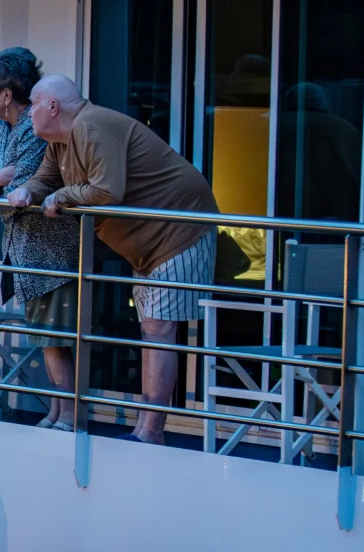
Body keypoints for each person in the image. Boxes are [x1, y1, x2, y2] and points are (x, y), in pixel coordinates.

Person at [14, 75, 219, 445]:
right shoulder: (59, 141)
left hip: (178, 230)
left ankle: (150, 433)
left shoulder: (92, 127)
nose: (28, 113)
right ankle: (143, 430)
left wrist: (61, 196)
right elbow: (46, 178)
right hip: (147, 243)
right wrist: (28, 189)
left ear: (53, 107)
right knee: (152, 331)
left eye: (33, 104)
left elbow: (108, 191)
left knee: (158, 331)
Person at [0, 47, 74, 430]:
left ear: (7, 94)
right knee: (43, 335)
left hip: (50, 248)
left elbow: (25, 189)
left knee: (56, 334)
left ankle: (70, 413)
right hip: (20, 247)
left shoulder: (34, 126)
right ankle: (56, 410)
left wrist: (2, 183)